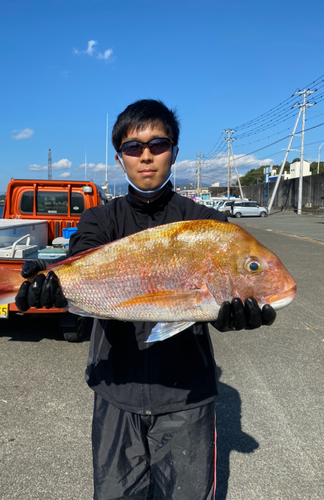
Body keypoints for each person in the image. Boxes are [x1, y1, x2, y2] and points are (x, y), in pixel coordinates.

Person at [16, 99, 276, 500]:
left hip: (186, 395)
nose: (147, 155)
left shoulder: (208, 224)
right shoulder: (99, 220)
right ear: (120, 158)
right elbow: (79, 266)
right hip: (115, 388)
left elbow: (222, 284)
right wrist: (51, 289)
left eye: (158, 143)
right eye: (133, 147)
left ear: (174, 150)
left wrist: (234, 311)